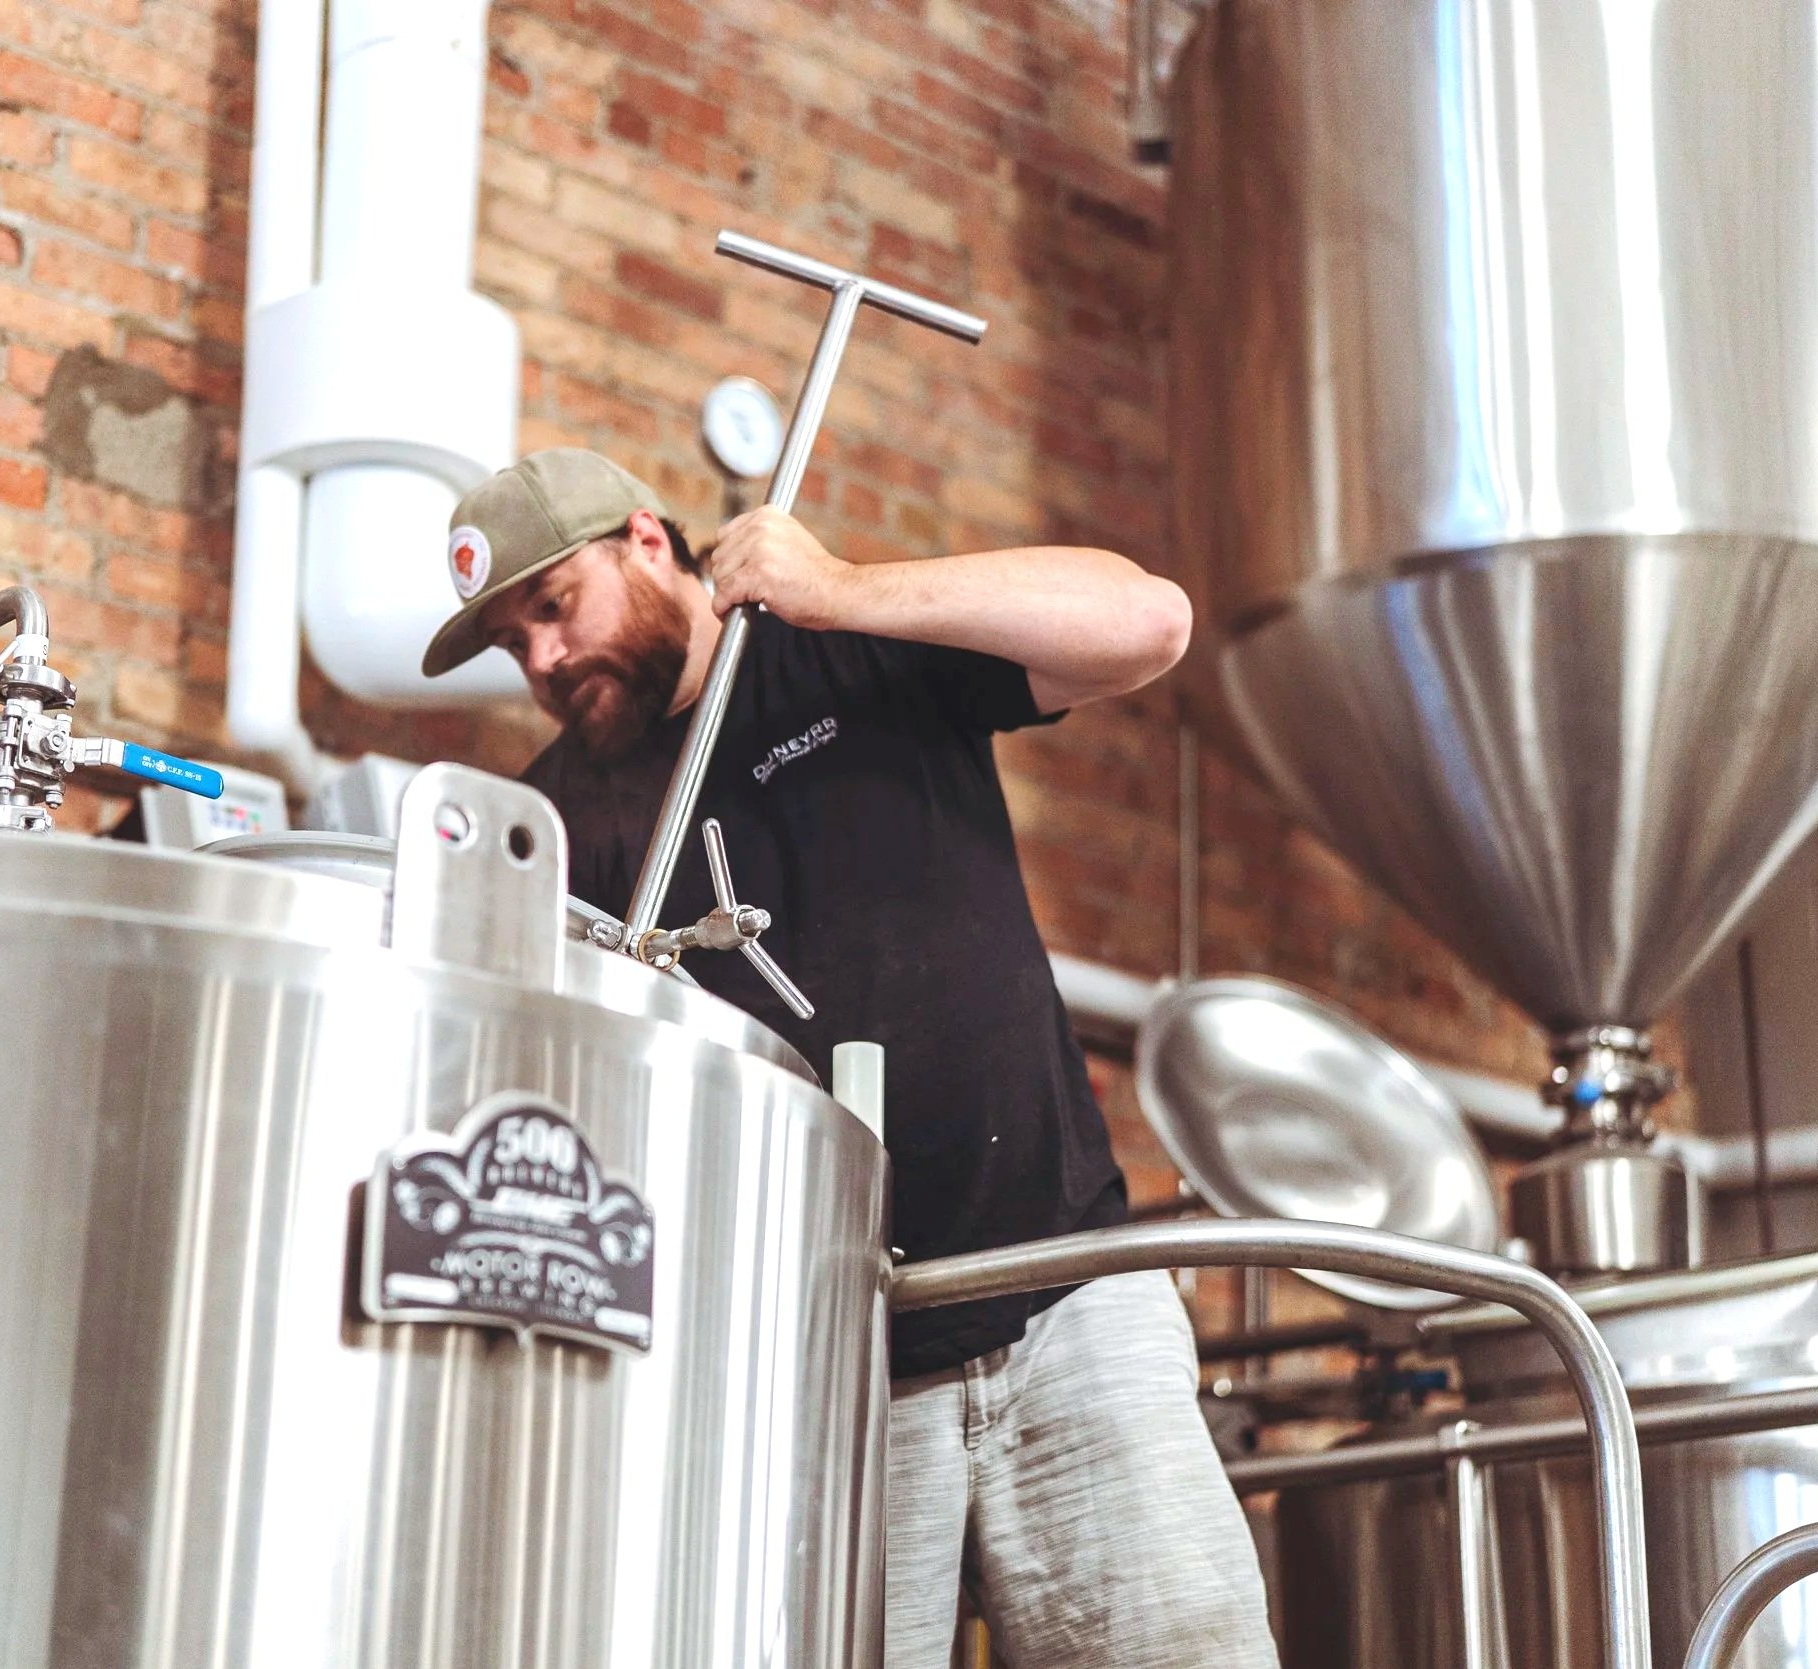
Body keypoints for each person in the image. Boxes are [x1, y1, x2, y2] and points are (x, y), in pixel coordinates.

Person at [421, 447, 1278, 1669]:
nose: (543, 662)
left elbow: (1149, 621)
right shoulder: (562, 821)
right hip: (824, 1370)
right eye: (513, 644)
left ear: (648, 543)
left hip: (1066, 1295)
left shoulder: (839, 649)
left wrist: (842, 590)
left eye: (553, 607)